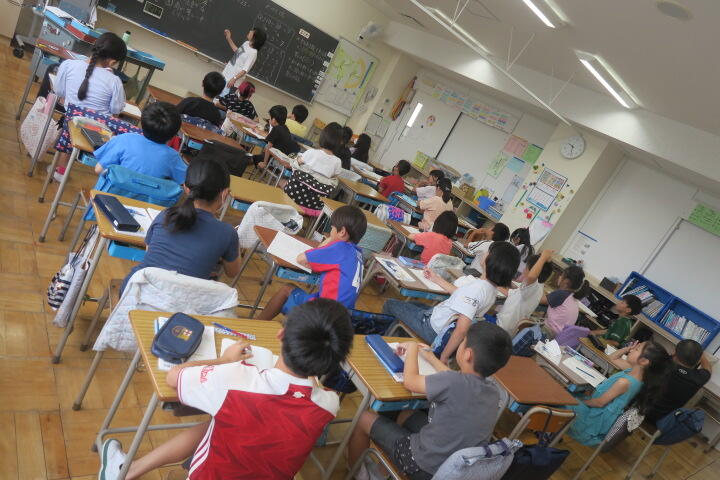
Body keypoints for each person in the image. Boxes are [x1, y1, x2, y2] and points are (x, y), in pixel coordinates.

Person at [99, 299, 354, 480]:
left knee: (220, 421)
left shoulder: (235, 379)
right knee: (216, 424)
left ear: (281, 334)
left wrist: (225, 360)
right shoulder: (330, 404)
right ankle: (130, 469)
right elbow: (309, 390)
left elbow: (174, 377)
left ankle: (124, 470)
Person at [347, 322, 512, 479]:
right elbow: (454, 379)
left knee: (363, 419)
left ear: (467, 354)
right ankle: (383, 471)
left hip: (423, 466)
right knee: (406, 413)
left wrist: (412, 348)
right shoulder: (493, 392)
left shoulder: (452, 382)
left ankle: (359, 473)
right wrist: (431, 357)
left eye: (463, 342)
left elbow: (410, 381)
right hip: (454, 469)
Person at [383, 242, 520, 364]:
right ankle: (398, 336)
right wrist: (436, 279)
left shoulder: (477, 290)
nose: (485, 253)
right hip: (437, 320)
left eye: (488, 251)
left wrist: (444, 356)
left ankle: (383, 345)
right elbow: (459, 294)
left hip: (432, 328)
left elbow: (461, 329)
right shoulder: (490, 290)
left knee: (390, 304)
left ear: (492, 260)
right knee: (413, 307)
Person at [119, 157, 241, 294]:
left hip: (134, 292)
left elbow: (149, 252)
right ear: (225, 194)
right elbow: (232, 272)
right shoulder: (227, 233)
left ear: (186, 188)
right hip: (181, 302)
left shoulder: (166, 215)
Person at [257, 206, 367, 320]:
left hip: (323, 313)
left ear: (342, 232)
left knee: (286, 289)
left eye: (332, 228)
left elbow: (301, 259)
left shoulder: (340, 248)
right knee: (307, 296)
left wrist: (331, 239)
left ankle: (256, 324)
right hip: (341, 317)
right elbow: (322, 253)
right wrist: (334, 237)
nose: (330, 232)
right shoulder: (358, 254)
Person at [53, 32, 128, 180]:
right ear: (112, 62)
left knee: (71, 120)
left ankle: (60, 170)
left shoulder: (68, 65)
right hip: (99, 136)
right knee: (114, 122)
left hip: (70, 128)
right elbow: (116, 110)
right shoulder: (114, 81)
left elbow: (59, 92)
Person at [567, 341, 672, 446]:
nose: (631, 349)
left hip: (592, 420)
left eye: (636, 349)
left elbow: (599, 403)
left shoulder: (625, 382)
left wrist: (580, 400)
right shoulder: (634, 372)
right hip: (594, 409)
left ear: (643, 361)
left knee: (564, 398)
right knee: (568, 393)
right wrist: (627, 348)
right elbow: (612, 358)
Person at [94, 102, 186, 184]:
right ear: (173, 136)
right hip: (145, 198)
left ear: (142, 123)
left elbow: (98, 169)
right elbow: (186, 181)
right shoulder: (173, 157)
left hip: (106, 195)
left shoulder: (125, 139)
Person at [643, 339, 712, 424]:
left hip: (640, 411)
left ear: (675, 354)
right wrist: (701, 355)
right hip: (662, 422)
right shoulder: (698, 379)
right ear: (698, 361)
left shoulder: (662, 365)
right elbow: (708, 369)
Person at [284, 123, 343, 214]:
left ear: (322, 137)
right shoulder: (338, 162)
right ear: (340, 142)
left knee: (282, 181)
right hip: (314, 205)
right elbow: (333, 177)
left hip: (293, 195)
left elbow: (296, 162)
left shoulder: (311, 152)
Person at [496, 249, 554, 335]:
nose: (524, 269)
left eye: (526, 267)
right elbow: (513, 293)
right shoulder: (538, 287)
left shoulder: (533, 285)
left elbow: (531, 277)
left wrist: (543, 257)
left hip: (501, 328)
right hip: (507, 330)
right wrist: (497, 286)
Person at [237, 105, 299, 177]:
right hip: (285, 158)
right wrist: (258, 131)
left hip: (276, 159)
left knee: (249, 158)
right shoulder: (284, 128)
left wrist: (264, 163)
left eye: (270, 118)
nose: (269, 120)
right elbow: (269, 136)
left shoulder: (276, 129)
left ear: (274, 120)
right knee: (254, 157)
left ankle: (240, 171)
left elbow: (268, 148)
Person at [543, 265, 591, 336]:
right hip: (559, 337)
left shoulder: (561, 294)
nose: (559, 277)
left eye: (562, 275)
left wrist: (541, 284)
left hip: (548, 332)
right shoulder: (573, 298)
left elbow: (540, 300)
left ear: (566, 281)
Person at [221, 27, 266, 92]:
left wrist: (234, 79)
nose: (250, 31)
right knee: (216, 93)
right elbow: (237, 52)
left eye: (252, 31)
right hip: (226, 73)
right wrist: (229, 38)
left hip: (232, 81)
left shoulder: (253, 52)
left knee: (222, 96)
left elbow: (244, 70)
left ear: (255, 38)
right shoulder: (246, 43)